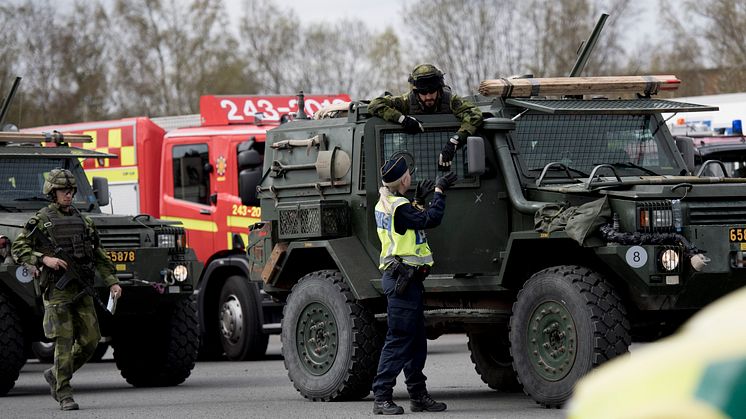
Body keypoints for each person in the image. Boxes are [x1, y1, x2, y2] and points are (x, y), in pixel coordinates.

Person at [11, 168, 121, 411]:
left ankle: (56, 373)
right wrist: (43, 259)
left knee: (91, 340)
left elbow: (99, 254)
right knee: (63, 340)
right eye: (63, 190)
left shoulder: (84, 220)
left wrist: (112, 280)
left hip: (82, 288)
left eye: (71, 190)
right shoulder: (40, 220)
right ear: (52, 192)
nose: (68, 195)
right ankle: (64, 393)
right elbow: (19, 249)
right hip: (57, 290)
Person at [371, 156, 458, 415]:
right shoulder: (399, 206)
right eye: (409, 173)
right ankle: (382, 397)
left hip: (407, 280)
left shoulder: (390, 202)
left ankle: (418, 396)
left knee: (416, 341)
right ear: (403, 180)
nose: (411, 175)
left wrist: (418, 200)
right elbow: (430, 220)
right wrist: (440, 192)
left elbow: (407, 226)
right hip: (402, 280)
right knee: (399, 340)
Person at [368, 64, 484, 170]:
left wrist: (455, 141)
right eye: (423, 92)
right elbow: (374, 105)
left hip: (450, 157)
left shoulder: (449, 101)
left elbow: (475, 115)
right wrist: (402, 119)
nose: (428, 97)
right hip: (416, 159)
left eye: (432, 91)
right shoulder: (406, 102)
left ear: (439, 89)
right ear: (416, 92)